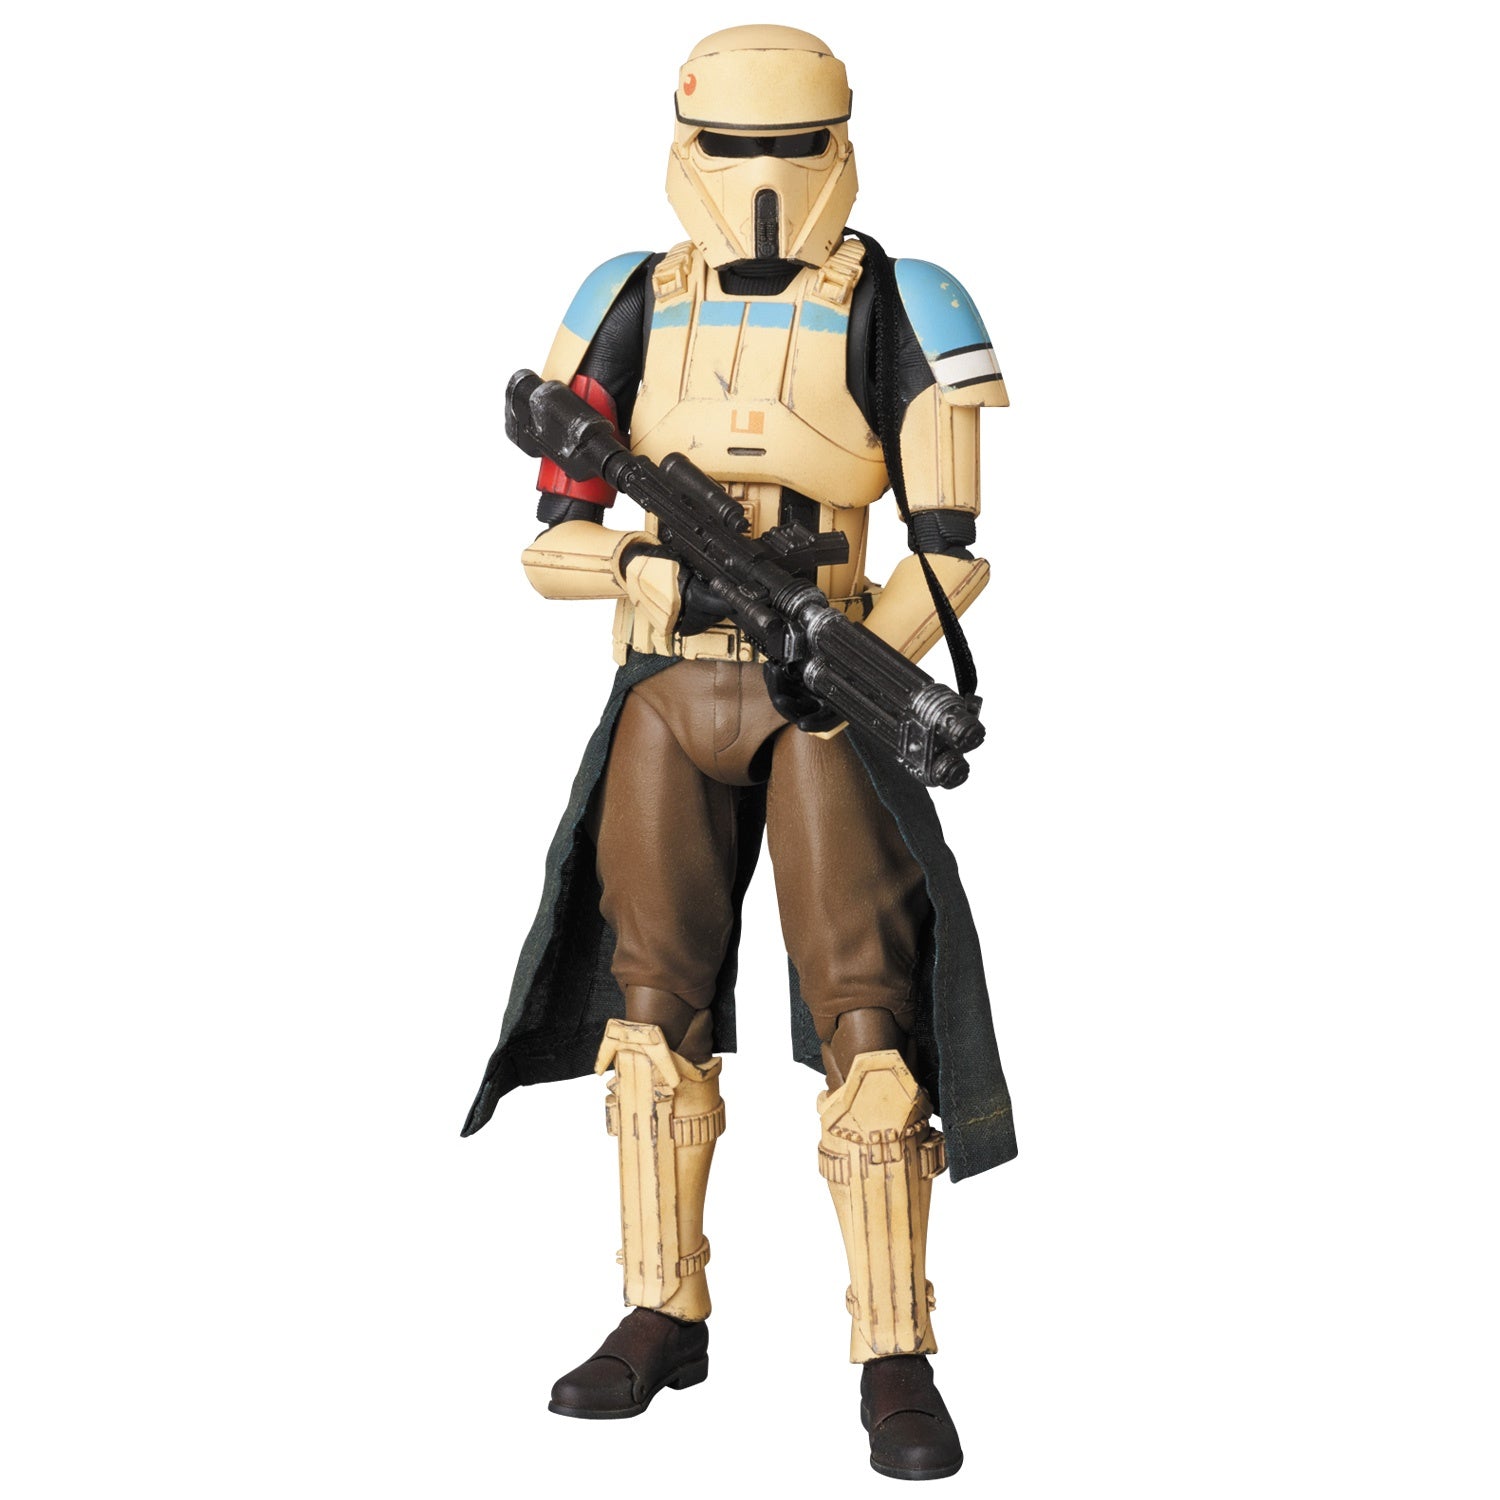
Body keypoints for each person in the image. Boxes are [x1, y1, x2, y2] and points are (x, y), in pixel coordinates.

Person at [463, 25, 1017, 1482]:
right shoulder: (626, 302)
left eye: (787, 150)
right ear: (684, 145)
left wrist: (860, 663)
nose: (760, 183)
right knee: (650, 1023)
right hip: (669, 688)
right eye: (732, 149)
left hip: (824, 691)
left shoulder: (902, 302)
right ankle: (662, 1310)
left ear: (839, 148)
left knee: (870, 1033)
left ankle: (894, 1350)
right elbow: (552, 544)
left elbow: (952, 550)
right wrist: (647, 572)